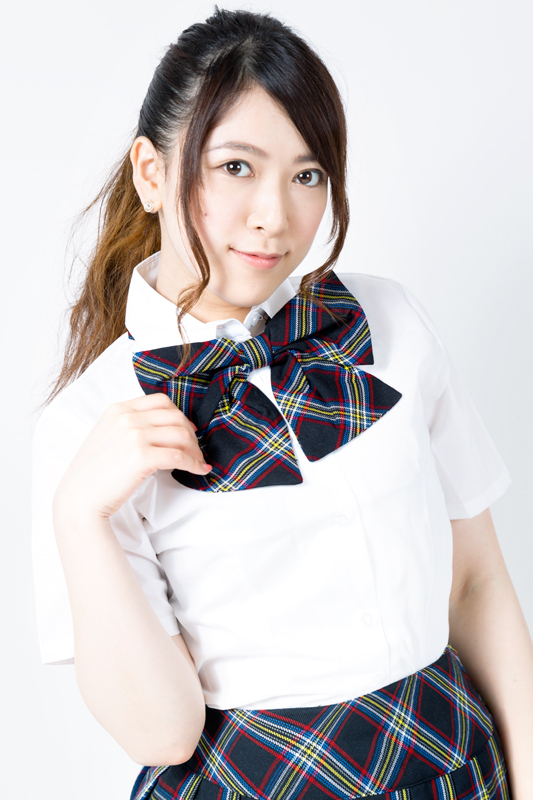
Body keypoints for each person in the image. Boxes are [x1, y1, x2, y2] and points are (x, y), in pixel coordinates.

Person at [31, 7, 533, 800]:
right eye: (235, 166)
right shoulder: (86, 428)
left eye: (307, 175)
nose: (274, 216)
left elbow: (475, 584)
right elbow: (163, 735)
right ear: (151, 172)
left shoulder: (388, 320)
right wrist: (78, 517)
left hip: (452, 763)